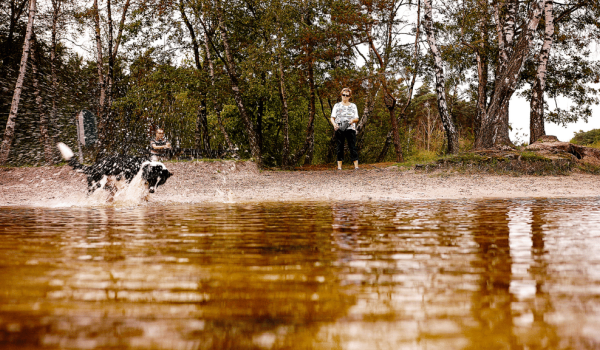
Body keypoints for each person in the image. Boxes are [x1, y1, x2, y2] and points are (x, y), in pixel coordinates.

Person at [330, 87, 359, 170]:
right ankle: (339, 167)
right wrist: (334, 124)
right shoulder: (337, 105)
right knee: (340, 146)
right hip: (339, 128)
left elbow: (356, 118)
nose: (345, 97)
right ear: (341, 95)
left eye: (347, 95)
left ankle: (356, 166)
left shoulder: (353, 106)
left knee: (352, 146)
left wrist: (351, 120)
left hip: (350, 128)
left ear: (350, 96)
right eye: (343, 95)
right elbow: (332, 117)